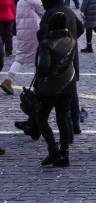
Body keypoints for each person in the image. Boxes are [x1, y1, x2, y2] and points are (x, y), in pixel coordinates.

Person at [34, 12, 78, 167]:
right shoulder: (71, 40)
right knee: (62, 119)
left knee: (40, 117)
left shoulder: (47, 43)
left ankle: (54, 150)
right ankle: (65, 154)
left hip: (51, 86)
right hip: (68, 85)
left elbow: (43, 67)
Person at [1, 0, 43, 94]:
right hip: (35, 33)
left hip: (22, 33)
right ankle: (37, 84)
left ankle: (8, 79)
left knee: (20, 57)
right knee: (37, 57)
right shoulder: (37, 1)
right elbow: (44, 13)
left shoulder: (20, 2)